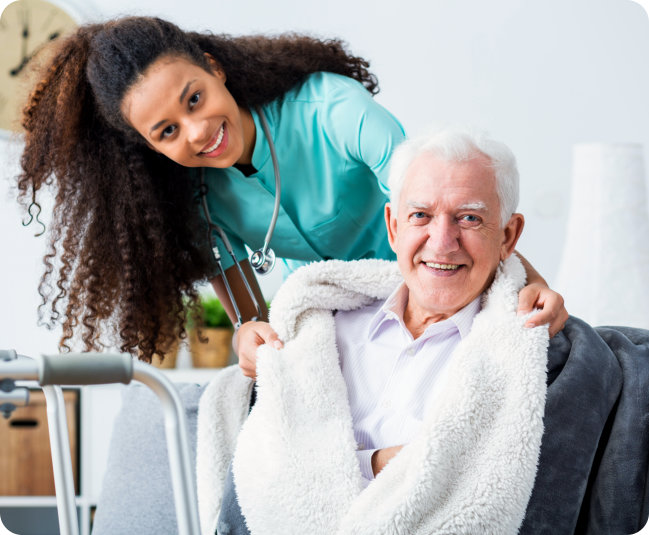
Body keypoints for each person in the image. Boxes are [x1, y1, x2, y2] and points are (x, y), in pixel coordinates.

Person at [17, 16, 566, 366]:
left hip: (433, 286)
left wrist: (534, 284)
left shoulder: (335, 110)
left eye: (193, 99)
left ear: (214, 70)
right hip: (343, 319)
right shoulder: (195, 200)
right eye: (167, 131)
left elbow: (442, 209)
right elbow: (247, 311)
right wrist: (248, 337)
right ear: (148, 146)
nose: (197, 131)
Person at [196, 127, 649, 534]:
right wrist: (377, 464)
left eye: (469, 218)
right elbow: (274, 462)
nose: (442, 240)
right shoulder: (317, 328)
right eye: (421, 216)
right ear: (393, 227)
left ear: (509, 236)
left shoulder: (529, 353)